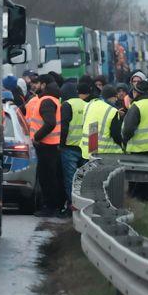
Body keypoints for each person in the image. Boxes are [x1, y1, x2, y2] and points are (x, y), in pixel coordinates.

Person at [26, 74, 64, 217]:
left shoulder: (46, 101)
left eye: (39, 83)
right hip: (51, 145)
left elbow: (50, 123)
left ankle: (50, 207)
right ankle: (52, 206)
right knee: (50, 177)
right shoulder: (53, 99)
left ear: (43, 85)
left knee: (47, 178)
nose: (36, 86)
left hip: (46, 145)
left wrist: (37, 137)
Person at [59, 80, 95, 212]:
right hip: (85, 148)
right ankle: (85, 205)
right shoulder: (89, 105)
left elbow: (64, 127)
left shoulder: (67, 105)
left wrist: (61, 145)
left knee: (71, 179)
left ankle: (73, 205)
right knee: (83, 179)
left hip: (69, 148)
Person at [120, 78, 148, 157]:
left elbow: (128, 130)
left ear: (135, 92)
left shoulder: (136, 106)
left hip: (139, 151)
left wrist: (124, 142)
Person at [80, 85, 123, 159]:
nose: (116, 100)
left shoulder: (89, 105)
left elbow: (93, 125)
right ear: (111, 97)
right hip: (105, 153)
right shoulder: (111, 111)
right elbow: (116, 135)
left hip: (88, 149)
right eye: (115, 97)